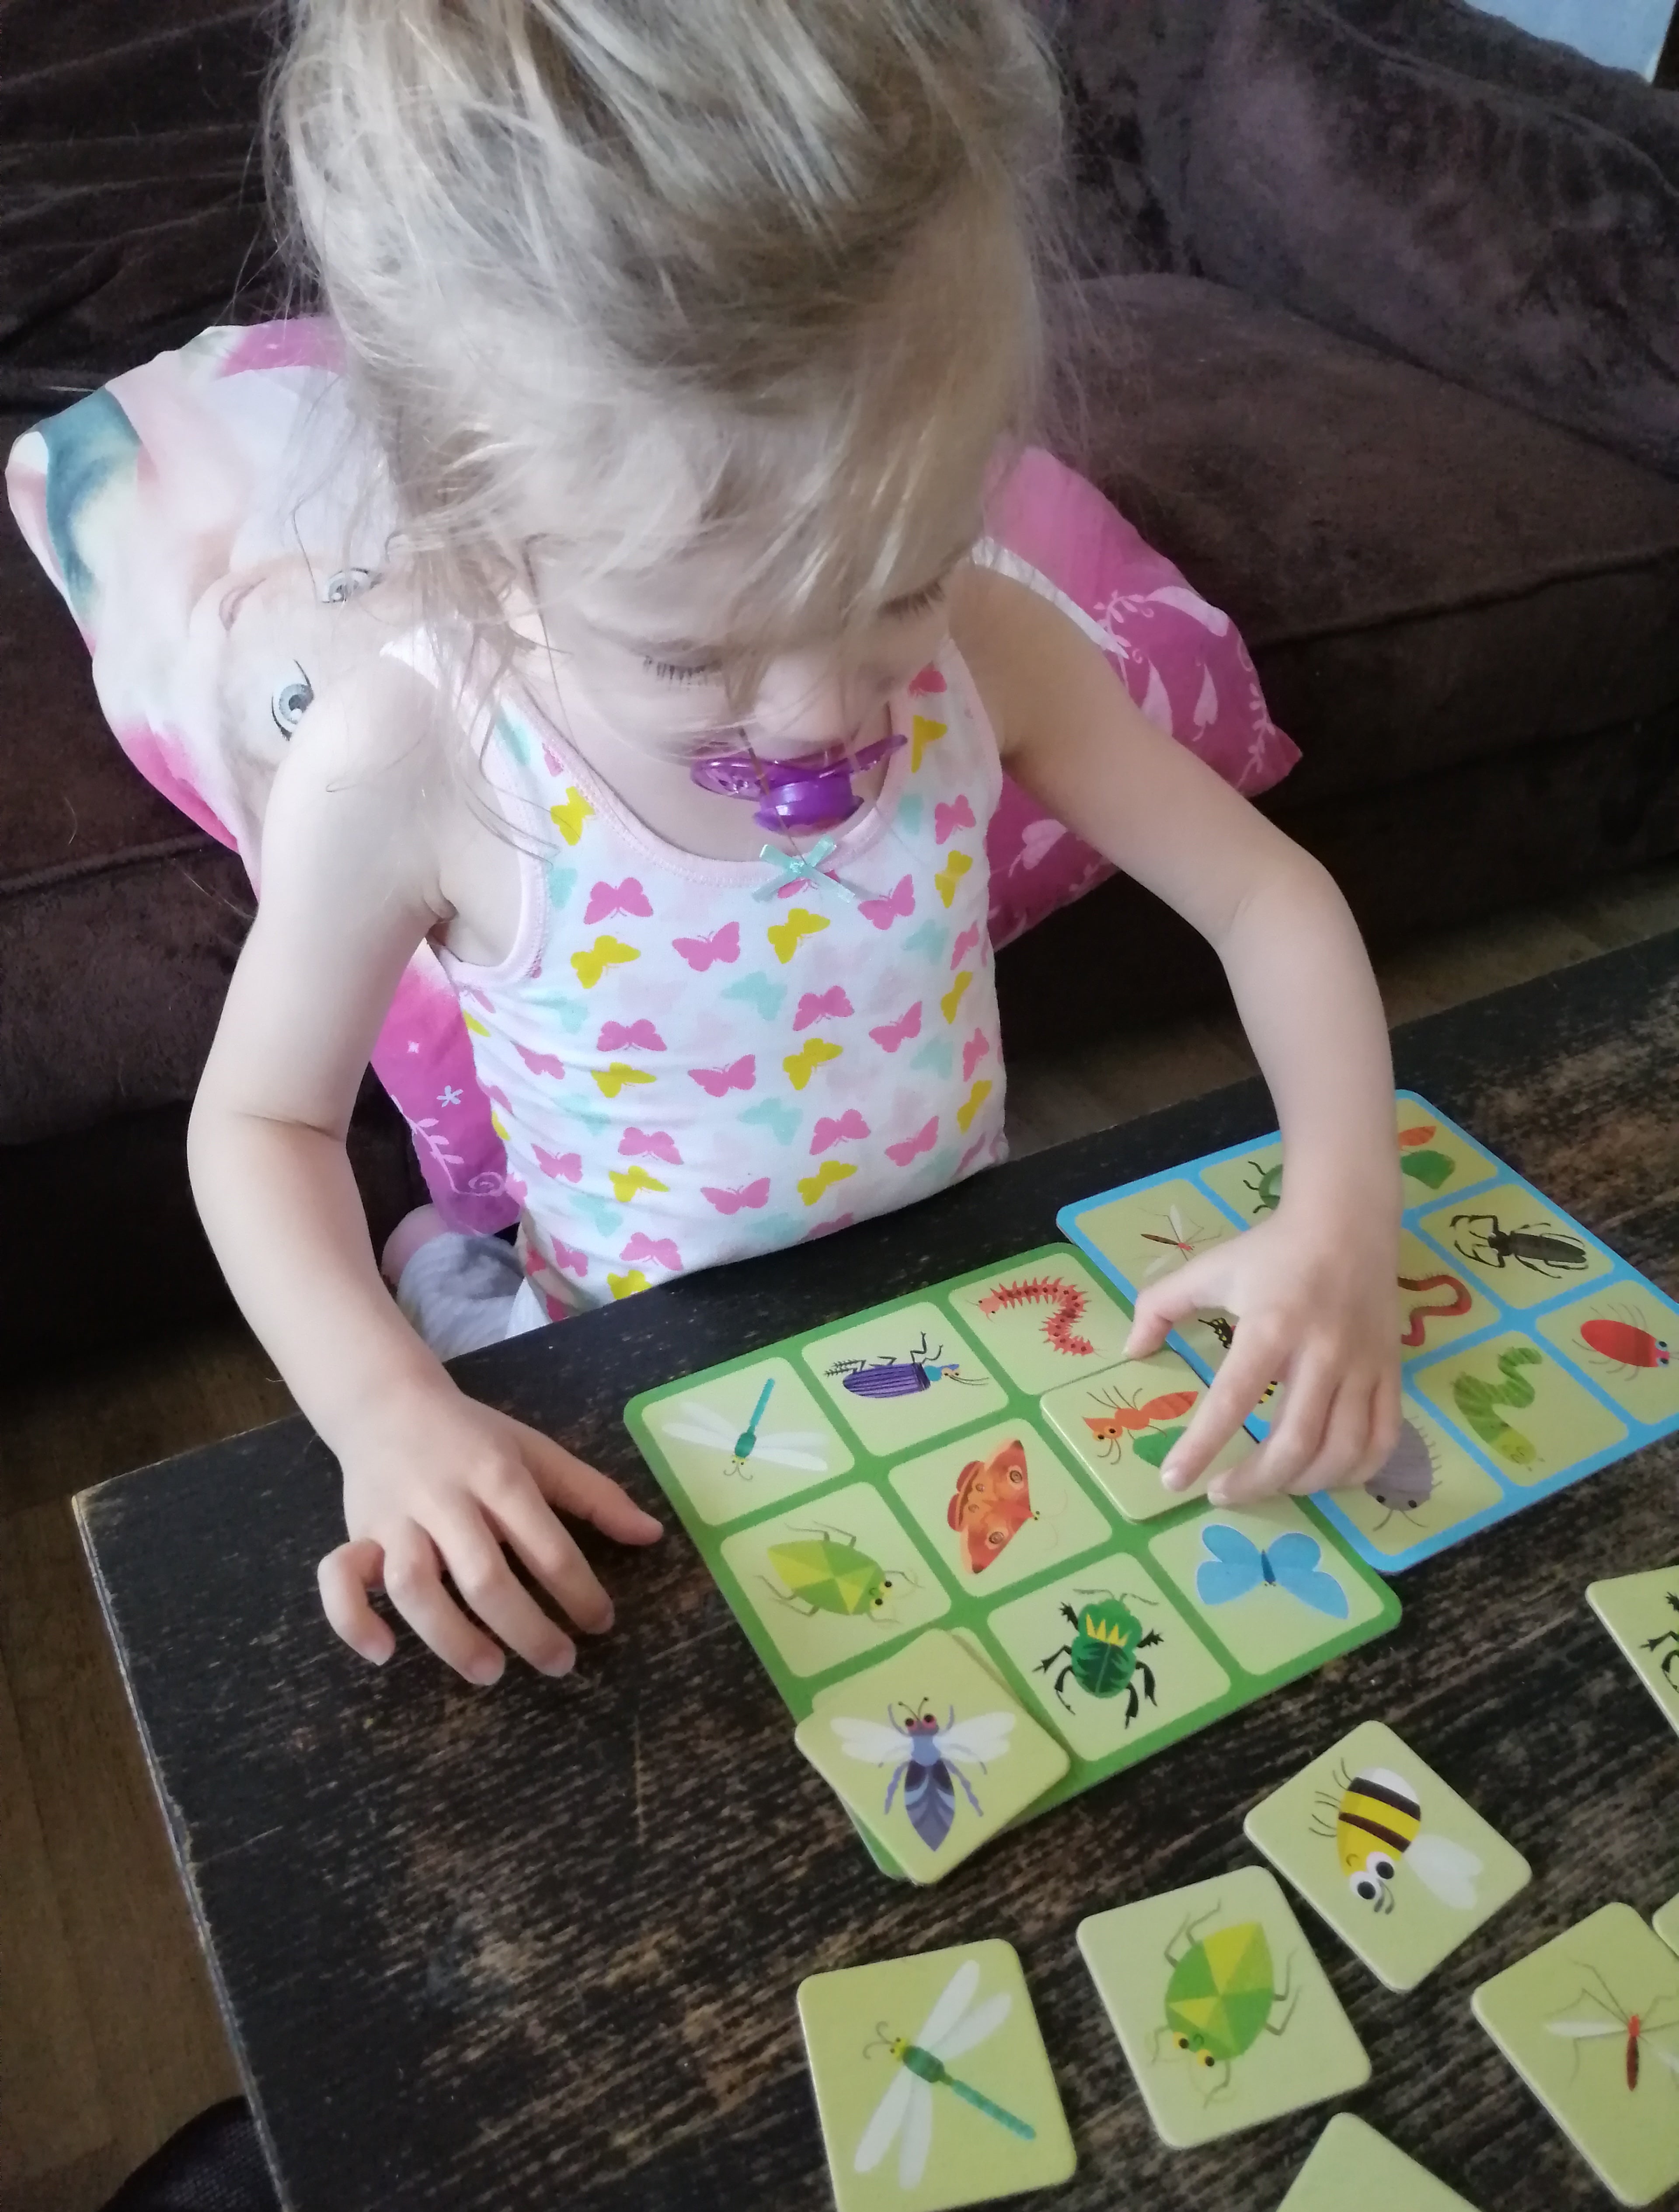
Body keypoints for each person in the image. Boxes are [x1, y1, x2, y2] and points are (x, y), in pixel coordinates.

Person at [185, 0, 1401, 1691]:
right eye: (693, 654)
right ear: (475, 523)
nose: (830, 708)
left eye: (901, 574)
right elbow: (259, 1122)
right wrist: (383, 1408)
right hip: (629, 1371)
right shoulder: (410, 759)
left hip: (955, 1304)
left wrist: (1346, 1204)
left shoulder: (996, 642)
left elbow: (1269, 894)